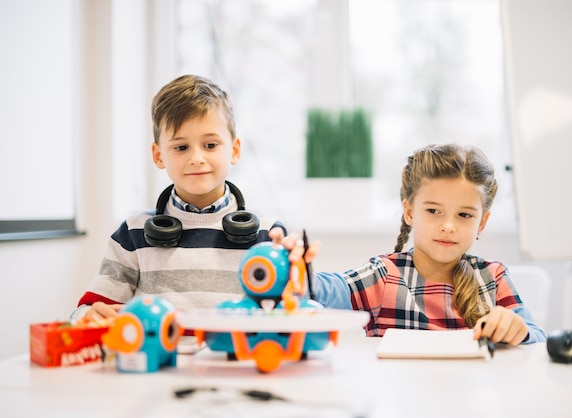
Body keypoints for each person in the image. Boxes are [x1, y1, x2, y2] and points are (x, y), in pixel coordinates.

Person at [272, 143, 546, 345]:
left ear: (482, 223)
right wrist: (292, 268)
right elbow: (323, 291)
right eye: (433, 211)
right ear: (410, 212)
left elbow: (536, 338)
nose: (448, 225)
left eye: (464, 215)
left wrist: (517, 328)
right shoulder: (385, 276)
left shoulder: (493, 278)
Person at [72, 74, 285, 321]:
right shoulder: (133, 233)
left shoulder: (269, 235)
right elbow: (89, 311)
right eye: (181, 147)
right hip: (162, 359)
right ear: (158, 155)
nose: (196, 158)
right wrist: (85, 317)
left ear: (234, 150)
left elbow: (293, 311)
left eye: (210, 145)